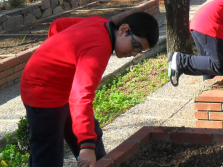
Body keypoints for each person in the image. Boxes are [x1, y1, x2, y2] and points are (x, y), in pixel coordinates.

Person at [20, 12, 160, 167]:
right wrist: (86, 146)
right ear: (123, 30)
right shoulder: (100, 48)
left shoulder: (101, 22)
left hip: (63, 88)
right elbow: (81, 96)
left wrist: (58, 55)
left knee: (93, 138)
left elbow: (58, 25)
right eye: (136, 45)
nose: (134, 53)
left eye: (139, 51)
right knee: (47, 155)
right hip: (40, 90)